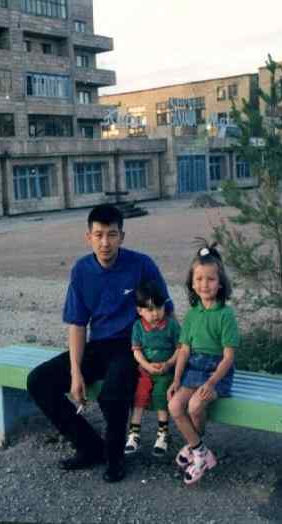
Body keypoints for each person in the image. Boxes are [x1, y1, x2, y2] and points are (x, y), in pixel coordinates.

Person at [27, 204, 174, 483]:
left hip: (133, 346)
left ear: (122, 237)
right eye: (98, 235)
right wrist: (75, 372)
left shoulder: (141, 265)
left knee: (112, 394)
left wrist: (168, 355)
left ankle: (115, 458)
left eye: (112, 234)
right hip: (98, 345)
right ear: (89, 237)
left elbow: (166, 311)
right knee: (39, 381)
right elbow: (77, 324)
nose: (105, 242)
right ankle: (90, 447)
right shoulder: (82, 270)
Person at [167, 243, 238, 485]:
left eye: (210, 279)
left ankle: (194, 449)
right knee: (175, 405)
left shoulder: (225, 315)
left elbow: (228, 357)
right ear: (192, 283)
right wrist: (176, 379)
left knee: (195, 406)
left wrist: (211, 383)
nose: (204, 284)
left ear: (220, 283)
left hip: (217, 373)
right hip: (193, 369)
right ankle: (201, 451)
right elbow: (184, 351)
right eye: (199, 279)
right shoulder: (192, 314)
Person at [124, 280, 180, 457]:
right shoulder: (138, 327)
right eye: (149, 309)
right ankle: (134, 434)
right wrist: (147, 365)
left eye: (159, 308)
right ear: (139, 311)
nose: (155, 313)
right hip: (145, 370)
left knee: (160, 395)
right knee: (139, 395)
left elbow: (181, 348)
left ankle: (163, 433)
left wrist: (169, 363)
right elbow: (137, 351)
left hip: (166, 370)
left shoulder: (171, 326)